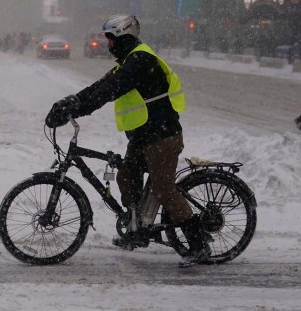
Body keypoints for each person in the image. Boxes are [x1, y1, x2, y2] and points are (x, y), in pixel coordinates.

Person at [45, 14, 212, 268]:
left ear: (124, 38)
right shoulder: (128, 60)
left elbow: (109, 90)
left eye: (112, 40)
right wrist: (70, 102)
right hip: (143, 136)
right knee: (126, 177)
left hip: (162, 136)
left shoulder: (141, 60)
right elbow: (99, 86)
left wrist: (75, 110)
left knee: (163, 189)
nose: (108, 45)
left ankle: (199, 244)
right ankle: (137, 230)